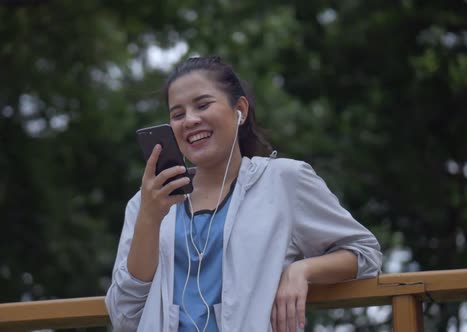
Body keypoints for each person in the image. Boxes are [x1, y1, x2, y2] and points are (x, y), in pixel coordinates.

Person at [105, 56, 382, 332]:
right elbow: (125, 316)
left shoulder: (283, 181)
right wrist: (150, 219)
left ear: (240, 110)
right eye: (178, 114)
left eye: (203, 105)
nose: (190, 120)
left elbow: (364, 254)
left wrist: (301, 271)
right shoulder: (147, 203)